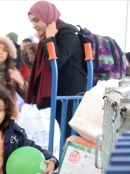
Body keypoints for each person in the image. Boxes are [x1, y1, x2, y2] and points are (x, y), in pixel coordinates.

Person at [25, 0, 87, 138]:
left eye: (36, 20)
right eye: (31, 22)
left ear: (47, 15)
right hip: (60, 94)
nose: (34, 25)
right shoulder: (47, 38)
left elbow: (57, 61)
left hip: (73, 95)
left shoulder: (68, 33)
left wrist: (50, 37)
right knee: (63, 136)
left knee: (71, 137)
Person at [0, 36, 27, 101]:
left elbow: (27, 97)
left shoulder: (12, 72)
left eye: (5, 50)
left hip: (7, 109)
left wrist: (21, 83)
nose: (1, 52)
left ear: (8, 54)